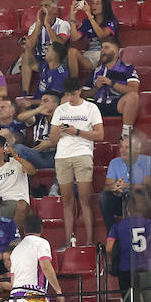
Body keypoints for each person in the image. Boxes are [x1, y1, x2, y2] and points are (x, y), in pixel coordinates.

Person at [50, 78, 103, 245]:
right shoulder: (60, 110)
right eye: (67, 94)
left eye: (73, 94)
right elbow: (52, 139)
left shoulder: (91, 108)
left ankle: (89, 241)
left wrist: (77, 132)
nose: (70, 97)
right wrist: (59, 131)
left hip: (82, 153)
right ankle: (68, 241)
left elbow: (100, 134)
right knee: (66, 200)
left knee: (84, 198)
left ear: (79, 91)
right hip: (62, 155)